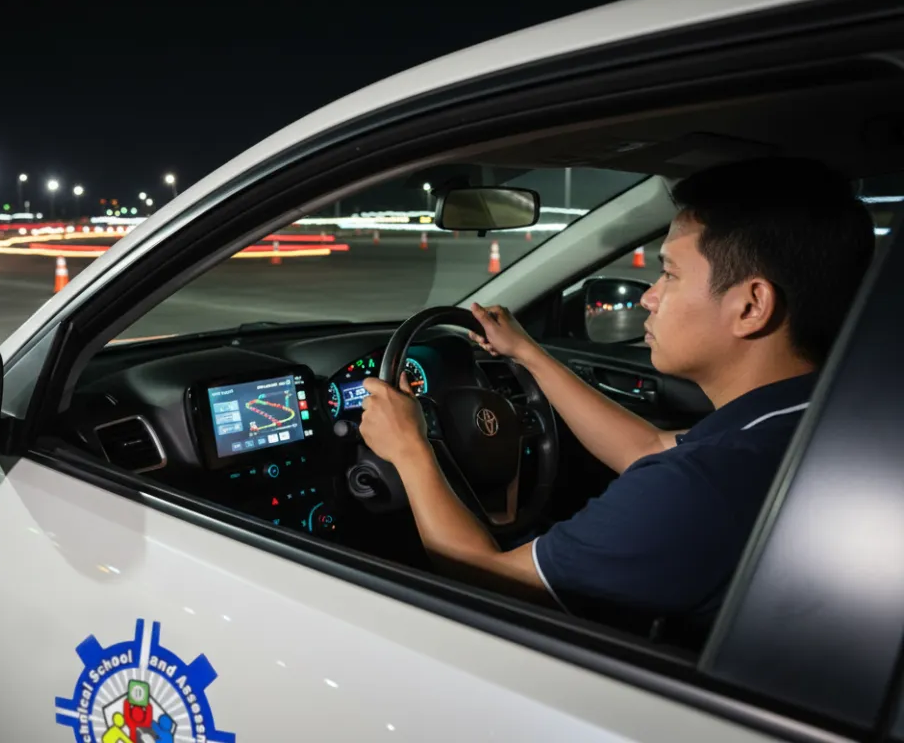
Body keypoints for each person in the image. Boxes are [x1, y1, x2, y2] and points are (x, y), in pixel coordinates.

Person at [359, 157, 875, 640]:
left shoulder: (700, 489)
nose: (649, 295)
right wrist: (528, 355)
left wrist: (410, 447)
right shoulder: (814, 419)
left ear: (752, 305)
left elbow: (488, 582)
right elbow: (649, 447)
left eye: (669, 273)